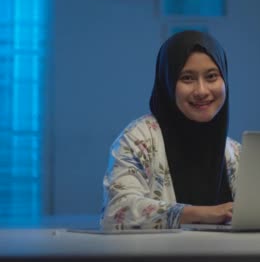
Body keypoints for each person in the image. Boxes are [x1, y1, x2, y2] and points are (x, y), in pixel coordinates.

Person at [100, 30, 240, 230]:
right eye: (187, 78)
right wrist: (202, 214)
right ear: (167, 82)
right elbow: (117, 212)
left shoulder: (235, 153)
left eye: (211, 76)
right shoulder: (138, 141)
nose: (201, 90)